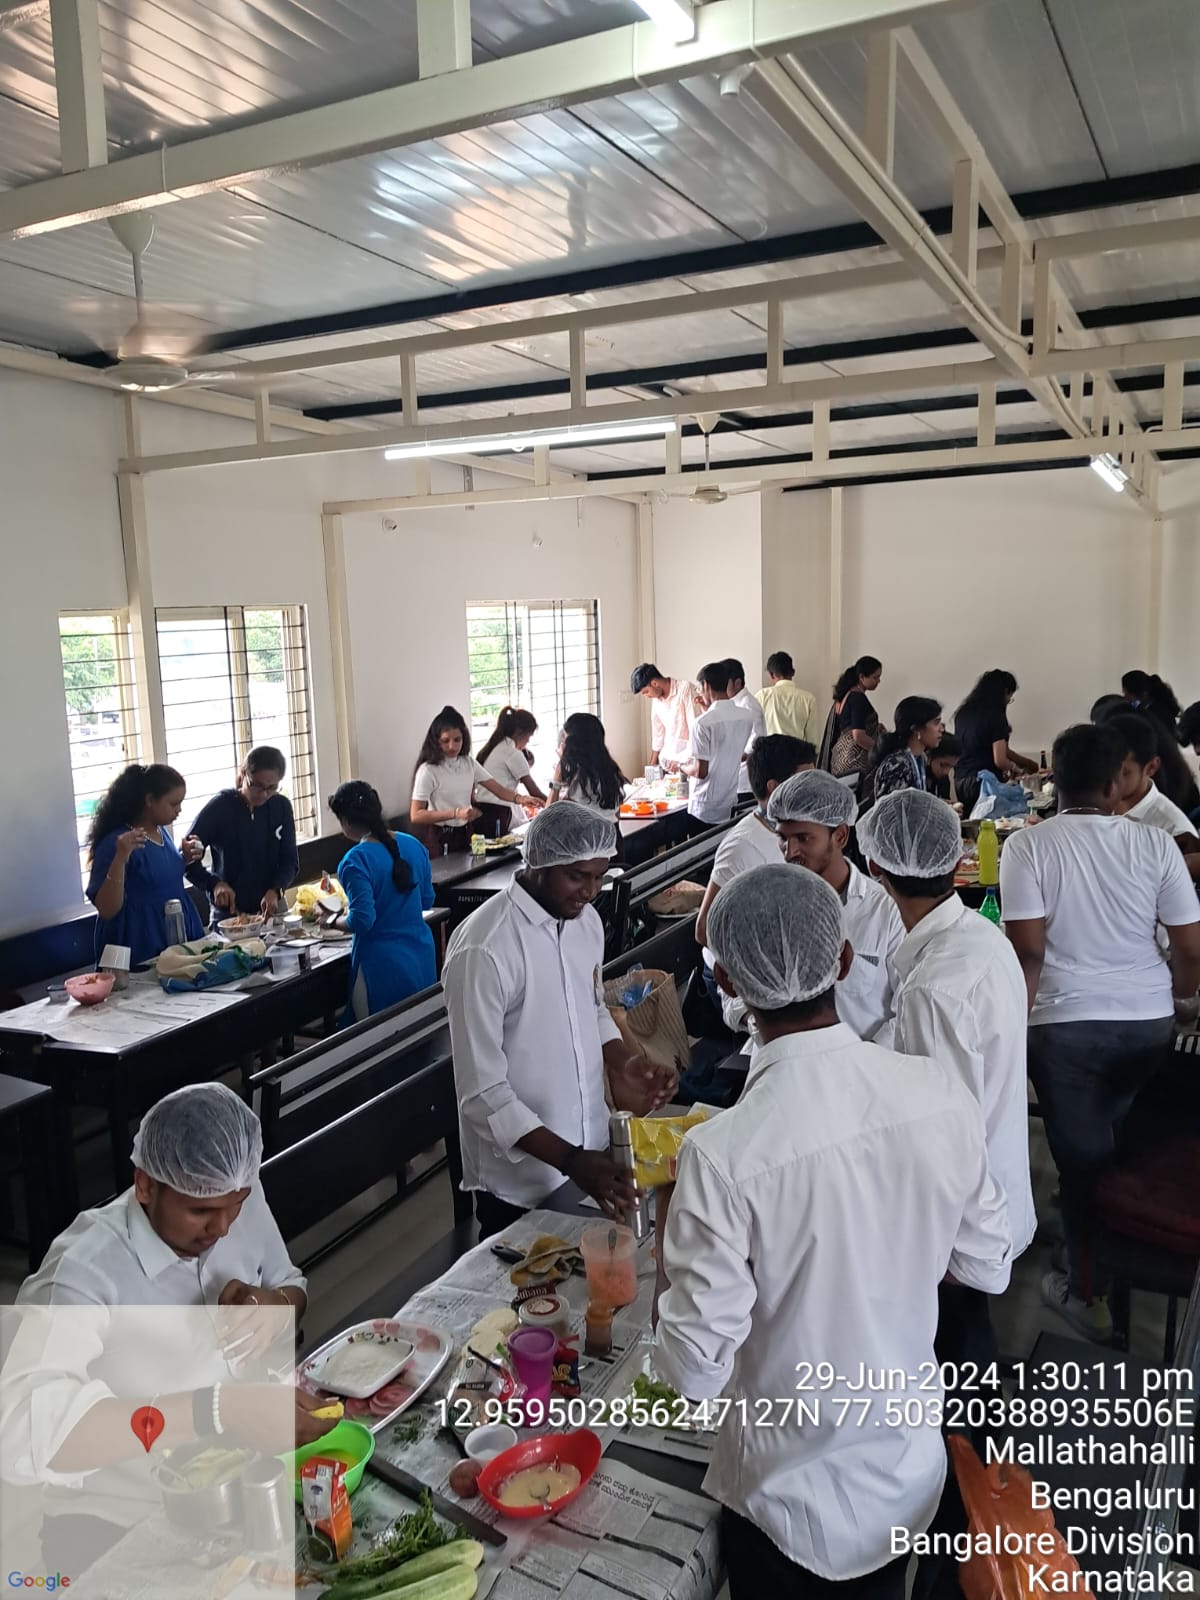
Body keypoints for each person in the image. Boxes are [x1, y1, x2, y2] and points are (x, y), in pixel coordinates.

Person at [653, 866, 1011, 1600]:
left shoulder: (720, 1156)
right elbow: (987, 1264)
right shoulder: (938, 1093)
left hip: (792, 1505)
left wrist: (667, 1227)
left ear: (726, 980)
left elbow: (692, 1376)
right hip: (909, 1469)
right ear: (844, 959)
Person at [12, 1085, 330, 1570]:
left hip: (232, 1486)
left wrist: (275, 1306)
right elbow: (23, 1430)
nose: (223, 1228)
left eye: (237, 1205)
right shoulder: (83, 1272)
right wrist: (215, 1410)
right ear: (144, 1186)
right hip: (118, 1520)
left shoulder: (230, 1191)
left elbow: (289, 1282)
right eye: (200, 1212)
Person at [1000, 722, 1200, 1341]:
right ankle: (1093, 1223)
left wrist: (1013, 1030)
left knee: (1081, 1160)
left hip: (1065, 1031)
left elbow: (1028, 952)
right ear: (1117, 781)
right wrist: (1179, 996)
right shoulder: (1156, 845)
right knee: (1109, 1133)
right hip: (1147, 1025)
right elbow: (1189, 947)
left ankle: (1086, 1291)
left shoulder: (1027, 848)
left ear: (1055, 780)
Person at [859, 789, 1035, 1369]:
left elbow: (943, 1141)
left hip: (961, 1231)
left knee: (957, 1360)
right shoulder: (980, 937)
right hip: (991, 1200)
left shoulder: (935, 989)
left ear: (876, 867)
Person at [443, 803, 674, 1237]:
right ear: (538, 862)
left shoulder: (586, 923)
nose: (590, 891)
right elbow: (481, 1093)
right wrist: (569, 1159)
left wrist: (624, 1062)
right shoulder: (485, 948)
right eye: (577, 876)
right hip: (522, 1181)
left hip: (590, 1153)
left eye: (599, 876)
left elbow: (592, 1008)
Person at [767, 770, 903, 1040]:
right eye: (783, 838)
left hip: (864, 1060)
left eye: (803, 838)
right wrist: (751, 1019)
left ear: (840, 836)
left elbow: (907, 1007)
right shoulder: (770, 905)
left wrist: (863, 1058)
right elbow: (739, 984)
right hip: (788, 1058)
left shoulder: (885, 911)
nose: (790, 852)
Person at [695, 734, 815, 999]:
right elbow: (704, 930)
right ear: (774, 788)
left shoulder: (797, 831)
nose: (812, 790)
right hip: (735, 978)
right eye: (804, 782)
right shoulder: (743, 847)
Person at [324, 781, 437, 1020]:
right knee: (420, 1031)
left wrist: (332, 921)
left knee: (376, 1036)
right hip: (420, 955)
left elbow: (362, 920)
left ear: (345, 822)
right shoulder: (413, 845)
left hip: (380, 965)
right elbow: (427, 901)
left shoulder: (355, 861)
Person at [86, 762, 205, 965]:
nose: (179, 810)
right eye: (173, 804)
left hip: (174, 939)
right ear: (150, 800)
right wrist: (120, 858)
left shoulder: (160, 831)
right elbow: (107, 909)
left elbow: (155, 877)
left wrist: (184, 858)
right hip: (140, 942)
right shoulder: (118, 842)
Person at [184, 746, 299, 924]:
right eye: (257, 786)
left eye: (272, 787)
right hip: (229, 913)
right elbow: (186, 858)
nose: (264, 794)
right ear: (244, 773)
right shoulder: (221, 806)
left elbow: (290, 861)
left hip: (271, 908)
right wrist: (213, 884)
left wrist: (276, 890)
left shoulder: (281, 806)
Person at [410, 706, 541, 853]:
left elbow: (497, 789)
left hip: (466, 832)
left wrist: (521, 799)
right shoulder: (428, 770)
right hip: (441, 836)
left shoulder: (468, 763)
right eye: (445, 741)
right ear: (436, 741)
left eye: (457, 740)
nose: (452, 746)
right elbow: (416, 815)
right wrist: (455, 813)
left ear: (464, 738)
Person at [1108, 711, 1200, 875]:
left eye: (1123, 772)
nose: (1110, 779)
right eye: (1105, 768)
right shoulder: (1098, 807)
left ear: (1151, 767)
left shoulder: (1174, 832)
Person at [681, 662, 757, 832]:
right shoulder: (745, 717)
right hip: (729, 801)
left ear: (706, 685)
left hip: (704, 805)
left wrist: (682, 767)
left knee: (699, 848)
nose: (699, 693)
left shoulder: (701, 723)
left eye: (699, 688)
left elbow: (701, 771)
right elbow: (725, 746)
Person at [953, 669, 1038, 813]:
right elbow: (1000, 760)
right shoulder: (996, 715)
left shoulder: (963, 712)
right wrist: (1018, 770)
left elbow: (1004, 751)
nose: (1008, 701)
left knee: (972, 821)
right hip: (982, 784)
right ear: (1005, 692)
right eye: (1010, 697)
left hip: (961, 780)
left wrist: (1028, 763)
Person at [860, 696, 944, 807]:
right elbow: (891, 812)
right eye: (936, 723)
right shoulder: (897, 765)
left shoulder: (920, 758)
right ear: (916, 729)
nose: (941, 729)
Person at [549, 711, 628, 822]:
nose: (562, 745)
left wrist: (556, 780)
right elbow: (616, 814)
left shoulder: (580, 781)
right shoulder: (611, 772)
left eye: (565, 740)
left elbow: (547, 821)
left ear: (573, 744)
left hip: (585, 833)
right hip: (612, 831)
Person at [477, 707, 546, 827]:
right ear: (519, 732)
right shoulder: (513, 753)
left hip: (483, 812)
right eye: (529, 736)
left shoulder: (493, 749)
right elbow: (534, 792)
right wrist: (558, 807)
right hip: (499, 814)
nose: (528, 741)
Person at [818, 655, 883, 778]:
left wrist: (875, 727)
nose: (878, 681)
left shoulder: (846, 695)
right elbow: (858, 736)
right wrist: (880, 750)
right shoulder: (858, 698)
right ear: (862, 677)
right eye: (875, 677)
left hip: (840, 758)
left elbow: (848, 724)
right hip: (854, 761)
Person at [630, 663, 702, 769]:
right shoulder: (656, 701)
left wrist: (682, 763)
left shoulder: (684, 688)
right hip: (667, 762)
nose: (647, 696)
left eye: (646, 692)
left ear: (654, 683)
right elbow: (658, 737)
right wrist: (649, 770)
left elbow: (695, 729)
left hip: (686, 762)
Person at [720, 657, 767, 794]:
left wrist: (737, 757)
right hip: (735, 774)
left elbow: (756, 738)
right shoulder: (734, 703)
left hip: (746, 777)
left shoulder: (748, 704)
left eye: (725, 683)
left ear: (737, 683)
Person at [755, 650, 819, 743]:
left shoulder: (762, 696)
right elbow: (813, 740)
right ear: (793, 672)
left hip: (768, 751)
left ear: (771, 675)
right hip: (797, 751)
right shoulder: (809, 699)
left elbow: (754, 732)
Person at [927, 732, 961, 804]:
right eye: (942, 765)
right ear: (929, 757)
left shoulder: (944, 780)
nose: (946, 771)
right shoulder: (916, 777)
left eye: (951, 767)